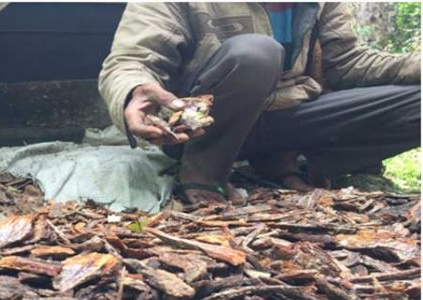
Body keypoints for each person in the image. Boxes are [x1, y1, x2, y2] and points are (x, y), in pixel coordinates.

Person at [99, 2, 421, 204]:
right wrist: (133, 91)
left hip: (285, 117)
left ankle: (297, 161)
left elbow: (349, 62)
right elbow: (132, 59)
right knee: (256, 52)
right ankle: (203, 172)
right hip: (201, 127)